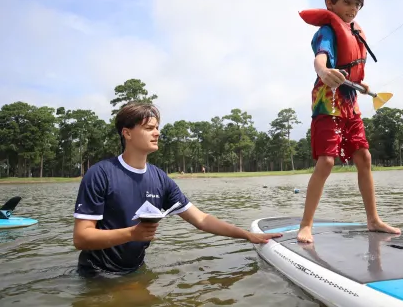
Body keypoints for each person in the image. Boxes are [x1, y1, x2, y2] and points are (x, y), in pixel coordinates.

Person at [72, 102, 282, 276]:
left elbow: (201, 219)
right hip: (98, 274)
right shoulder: (101, 174)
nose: (157, 133)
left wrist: (247, 235)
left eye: (157, 127)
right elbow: (81, 238)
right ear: (126, 133)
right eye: (149, 128)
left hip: (136, 271)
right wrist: (132, 234)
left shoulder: (160, 178)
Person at [297, 0, 401, 243]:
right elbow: (321, 57)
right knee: (327, 160)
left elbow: (351, 66)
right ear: (330, 4)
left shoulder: (355, 31)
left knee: (364, 156)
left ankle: (373, 220)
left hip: (350, 98)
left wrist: (360, 84)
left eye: (357, 5)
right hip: (327, 98)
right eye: (347, 3)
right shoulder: (327, 31)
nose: (353, 9)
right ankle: (306, 225)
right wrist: (323, 71)